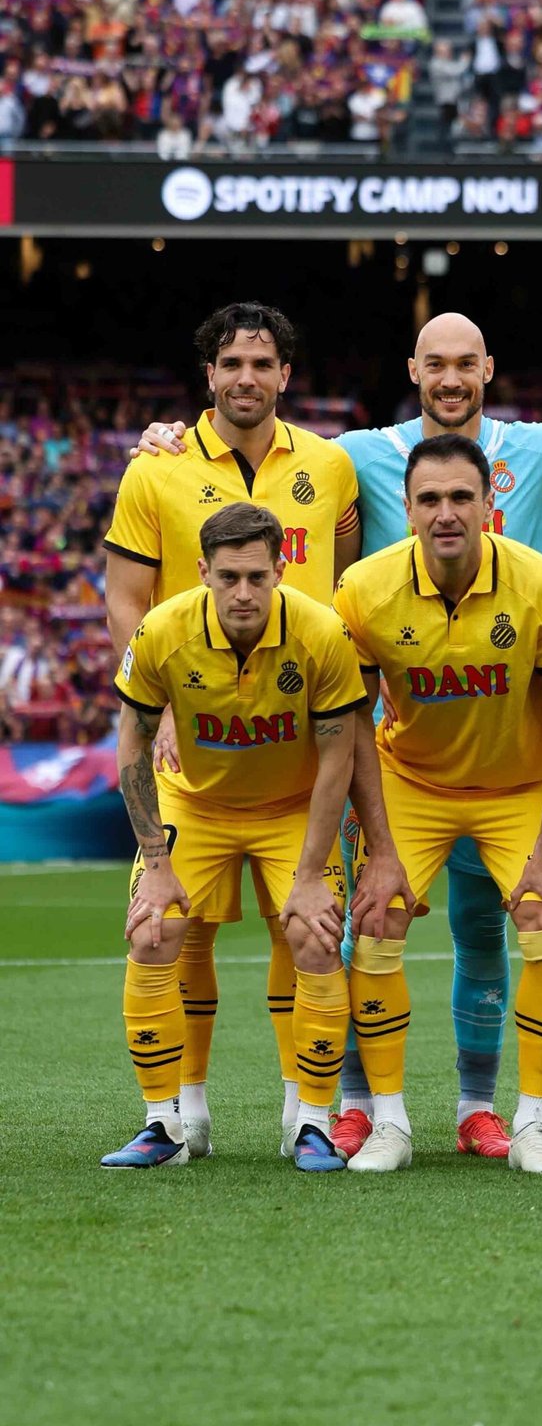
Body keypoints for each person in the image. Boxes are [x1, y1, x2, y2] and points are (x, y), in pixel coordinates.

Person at [128, 309, 542, 1164]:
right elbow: (348, 704)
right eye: (434, 363)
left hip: (517, 774)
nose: (449, 377)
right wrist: (171, 434)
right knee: (368, 915)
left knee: (511, 926)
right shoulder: (351, 465)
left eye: (465, 363)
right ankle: (368, 1113)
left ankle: (510, 1115)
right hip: (403, 770)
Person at [104, 302, 361, 1161]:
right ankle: (180, 1114)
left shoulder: (333, 464)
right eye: (229, 364)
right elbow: (126, 601)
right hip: (196, 742)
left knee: (310, 928)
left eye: (262, 363)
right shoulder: (157, 469)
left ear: (286, 375)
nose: (245, 377)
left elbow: (353, 582)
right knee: (174, 928)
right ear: (207, 375)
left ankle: (307, 1117)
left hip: (306, 743)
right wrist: (171, 706)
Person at [332, 435, 542, 1173]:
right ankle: (388, 1121)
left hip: (516, 787)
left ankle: (531, 1122)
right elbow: (352, 719)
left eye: (460, 498)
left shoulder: (541, 584)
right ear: (408, 510)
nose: (446, 513)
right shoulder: (365, 589)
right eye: (429, 500)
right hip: (412, 783)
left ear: (489, 506)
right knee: (377, 920)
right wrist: (380, 849)